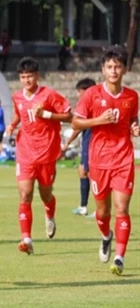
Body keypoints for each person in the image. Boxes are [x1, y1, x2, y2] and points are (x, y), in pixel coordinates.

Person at [71, 45, 139, 276]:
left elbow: (133, 119)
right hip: (98, 161)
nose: (113, 71)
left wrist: (135, 126)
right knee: (102, 211)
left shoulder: (132, 96)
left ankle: (119, 257)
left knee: (122, 208)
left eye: (117, 66)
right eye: (109, 67)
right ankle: (106, 236)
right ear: (103, 69)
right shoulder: (92, 95)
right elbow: (76, 123)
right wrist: (99, 120)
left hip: (123, 159)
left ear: (125, 69)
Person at [6, 57, 72, 255]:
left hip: (47, 153)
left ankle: (49, 213)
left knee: (46, 194)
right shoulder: (17, 97)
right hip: (25, 152)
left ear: (37, 76)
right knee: (25, 194)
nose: (26, 80)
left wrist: (47, 115)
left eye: (30, 76)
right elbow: (20, 113)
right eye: (23, 77)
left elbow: (69, 116)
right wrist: (12, 124)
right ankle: (26, 239)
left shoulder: (49, 95)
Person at [63, 78, 97, 217]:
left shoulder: (91, 105)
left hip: (92, 143)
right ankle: (83, 206)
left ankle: (99, 208)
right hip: (87, 142)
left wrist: (68, 142)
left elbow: (77, 127)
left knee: (91, 175)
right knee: (82, 171)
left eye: (80, 92)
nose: (79, 95)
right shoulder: (88, 104)